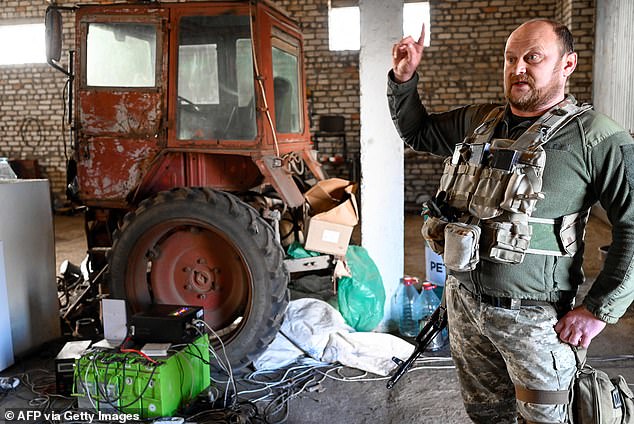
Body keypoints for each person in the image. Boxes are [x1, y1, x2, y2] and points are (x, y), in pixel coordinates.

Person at [388, 19, 634, 424]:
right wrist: (403, 78)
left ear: (567, 64)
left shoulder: (596, 137)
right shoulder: (480, 121)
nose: (519, 68)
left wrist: (598, 309)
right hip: (465, 305)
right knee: (487, 414)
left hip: (536, 318)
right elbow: (418, 132)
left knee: (546, 418)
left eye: (533, 57)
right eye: (511, 58)